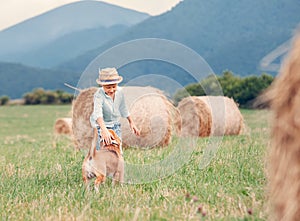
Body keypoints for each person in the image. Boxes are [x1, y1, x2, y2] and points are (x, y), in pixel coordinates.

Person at [90, 67, 140, 154]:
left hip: (116, 125)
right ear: (102, 85)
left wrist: (131, 122)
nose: (112, 90)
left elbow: (123, 108)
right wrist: (104, 130)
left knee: (118, 152)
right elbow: (97, 114)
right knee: (103, 152)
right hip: (102, 126)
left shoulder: (120, 92)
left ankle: (118, 167)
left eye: (114, 86)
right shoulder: (98, 95)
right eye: (108, 87)